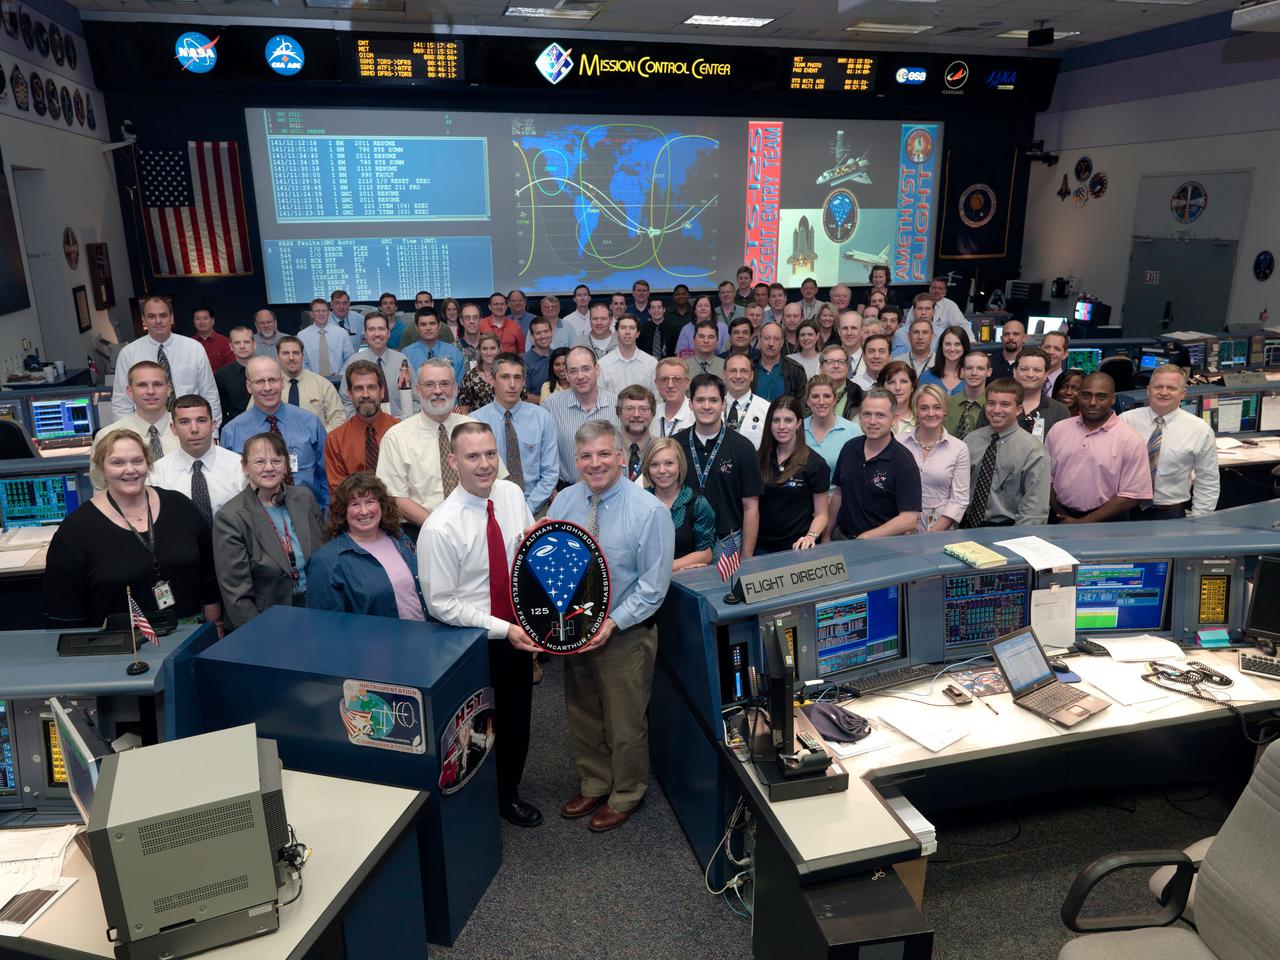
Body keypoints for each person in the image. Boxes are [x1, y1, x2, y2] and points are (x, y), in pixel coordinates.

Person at [547, 420, 675, 833]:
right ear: (576, 460)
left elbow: (654, 586)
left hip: (625, 634)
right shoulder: (563, 502)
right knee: (582, 713)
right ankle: (595, 781)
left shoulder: (649, 511)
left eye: (604, 453)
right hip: (575, 630)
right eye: (586, 456)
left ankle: (626, 792)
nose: (595, 463)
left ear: (621, 456)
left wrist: (613, 623)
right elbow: (554, 566)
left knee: (625, 721)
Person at [421, 423, 543, 827]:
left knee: (516, 718)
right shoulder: (440, 528)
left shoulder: (511, 495)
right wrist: (501, 628)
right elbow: (442, 604)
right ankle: (472, 803)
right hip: (469, 643)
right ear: (453, 462)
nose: (485, 464)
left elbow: (525, 555)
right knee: (473, 728)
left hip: (517, 633)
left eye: (491, 454)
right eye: (473, 456)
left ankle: (508, 793)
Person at [44, 428, 221, 630]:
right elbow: (64, 611)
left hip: (187, 634)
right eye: (117, 462)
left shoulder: (180, 506)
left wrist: (214, 622)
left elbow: (208, 572)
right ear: (101, 468)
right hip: (120, 646)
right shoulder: (75, 529)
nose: (130, 470)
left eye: (137, 461)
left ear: (148, 463)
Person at [214, 432, 324, 630]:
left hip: (316, 609)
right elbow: (237, 596)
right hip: (267, 620)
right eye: (259, 462)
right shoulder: (230, 517)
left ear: (286, 465)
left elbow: (324, 558)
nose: (269, 468)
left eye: (276, 460)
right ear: (245, 467)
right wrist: (260, 636)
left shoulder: (304, 498)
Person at [376, 359, 502, 529]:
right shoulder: (397, 437)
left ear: (456, 389)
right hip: (421, 529)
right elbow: (395, 496)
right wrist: (440, 527)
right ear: (418, 390)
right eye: (429, 385)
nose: (437, 391)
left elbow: (497, 478)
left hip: (478, 525)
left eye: (445, 384)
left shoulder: (474, 427)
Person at [307, 473, 425, 619]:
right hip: (375, 641)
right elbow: (325, 625)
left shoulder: (399, 537)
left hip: (424, 636)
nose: (364, 511)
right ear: (343, 511)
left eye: (370, 502)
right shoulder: (326, 561)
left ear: (381, 505)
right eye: (355, 504)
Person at [221, 356, 330, 509]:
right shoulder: (232, 432)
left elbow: (326, 477)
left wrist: (325, 520)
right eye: (260, 382)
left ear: (282, 382)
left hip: (309, 515)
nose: (267, 388)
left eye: (272, 380)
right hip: (258, 521)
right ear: (248, 386)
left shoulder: (310, 423)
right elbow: (230, 487)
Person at [675, 373, 764, 560]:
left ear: (723, 404)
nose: (706, 406)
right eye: (700, 400)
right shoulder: (674, 446)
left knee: (726, 590)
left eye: (713, 400)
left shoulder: (743, 447)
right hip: (684, 543)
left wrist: (747, 555)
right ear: (690, 404)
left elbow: (751, 507)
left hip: (728, 541)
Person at [1044, 373, 1152, 523]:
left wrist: (1081, 523)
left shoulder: (1130, 439)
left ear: (1112, 399)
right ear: (1079, 396)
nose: (1092, 402)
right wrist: (1061, 513)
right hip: (1060, 517)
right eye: (1086, 395)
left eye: (1101, 397)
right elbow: (1044, 477)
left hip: (1108, 523)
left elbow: (1132, 495)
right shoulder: (1058, 430)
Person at [1119, 364, 1219, 519]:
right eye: (1158, 387)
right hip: (1124, 509)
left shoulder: (1200, 430)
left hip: (1170, 512)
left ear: (1183, 393)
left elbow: (1208, 481)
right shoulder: (1126, 421)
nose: (1163, 393)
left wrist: (1199, 521)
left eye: (1171, 388)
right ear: (1148, 390)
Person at [827, 388, 921, 540]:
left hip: (882, 548)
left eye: (880, 415)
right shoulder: (850, 448)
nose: (872, 421)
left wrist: (866, 537)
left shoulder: (904, 461)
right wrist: (826, 535)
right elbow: (839, 494)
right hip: (841, 538)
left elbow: (909, 519)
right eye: (867, 414)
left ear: (893, 419)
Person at [472, 354, 559, 516]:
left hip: (535, 507)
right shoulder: (475, 422)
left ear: (524, 381)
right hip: (489, 509)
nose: (512, 384)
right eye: (505, 377)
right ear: (492, 379)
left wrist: (527, 509)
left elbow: (550, 473)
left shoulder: (542, 418)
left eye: (517, 377)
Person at [111, 295, 220, 421]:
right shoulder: (129, 353)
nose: (158, 321)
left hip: (189, 425)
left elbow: (209, 393)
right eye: (151, 316)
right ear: (143, 319)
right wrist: (128, 436)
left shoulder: (194, 348)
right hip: (146, 428)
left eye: (163, 315)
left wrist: (213, 433)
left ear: (171, 317)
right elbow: (121, 402)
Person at [959, 378, 1050, 528]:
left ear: (1019, 409)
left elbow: (1034, 510)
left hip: (1007, 529)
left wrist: (1017, 542)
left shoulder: (1033, 451)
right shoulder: (971, 440)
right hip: (966, 525)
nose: (996, 410)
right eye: (991, 403)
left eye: (1005, 404)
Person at [151, 394, 245, 526]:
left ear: (213, 424)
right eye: (184, 422)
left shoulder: (238, 466)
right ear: (173, 428)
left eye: (201, 420)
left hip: (232, 544)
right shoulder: (158, 473)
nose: (194, 429)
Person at [756, 396, 830, 554]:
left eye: (788, 420)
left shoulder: (815, 464)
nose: (781, 426)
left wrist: (811, 536)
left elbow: (822, 514)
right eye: (776, 420)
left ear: (799, 423)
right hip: (760, 548)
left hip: (797, 548)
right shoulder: (759, 459)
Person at [542, 346, 620, 484]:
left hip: (610, 490)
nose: (580, 376)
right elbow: (543, 453)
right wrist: (551, 489)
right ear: (566, 375)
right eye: (573, 371)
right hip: (566, 490)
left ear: (597, 370)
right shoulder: (551, 406)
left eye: (586, 369)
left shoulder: (616, 404)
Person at [901, 385, 970, 533]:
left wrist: (932, 534)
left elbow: (959, 499)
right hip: (899, 526)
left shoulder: (959, 448)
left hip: (940, 529)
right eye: (924, 408)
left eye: (937, 407)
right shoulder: (898, 443)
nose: (931, 413)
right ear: (916, 411)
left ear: (945, 411)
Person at [325, 360, 398, 499]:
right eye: (358, 388)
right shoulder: (336, 440)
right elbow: (339, 493)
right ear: (350, 394)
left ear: (382, 392)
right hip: (357, 515)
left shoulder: (401, 431)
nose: (365, 394)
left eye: (371, 387)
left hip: (400, 514)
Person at [641, 439, 714, 572]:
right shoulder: (639, 501)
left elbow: (705, 553)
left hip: (684, 583)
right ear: (647, 468)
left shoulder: (697, 504)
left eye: (669, 463)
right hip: (643, 584)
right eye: (654, 464)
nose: (662, 470)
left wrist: (664, 568)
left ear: (680, 465)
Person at [94, 361, 178, 467]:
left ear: (168, 389)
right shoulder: (106, 436)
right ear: (130, 391)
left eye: (157, 384)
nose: (151, 391)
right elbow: (100, 481)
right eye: (142, 385)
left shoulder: (189, 432)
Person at [339, 313, 417, 420]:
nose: (377, 334)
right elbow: (345, 400)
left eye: (381, 329)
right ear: (365, 334)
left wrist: (409, 421)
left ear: (388, 333)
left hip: (401, 427)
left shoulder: (402, 361)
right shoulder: (354, 362)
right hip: (364, 427)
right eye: (371, 329)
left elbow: (417, 398)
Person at [277, 337, 346, 431]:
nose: (291, 358)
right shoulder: (267, 386)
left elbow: (339, 418)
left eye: (296, 353)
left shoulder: (322, 385)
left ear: (303, 356)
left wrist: (322, 438)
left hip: (317, 443)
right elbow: (254, 417)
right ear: (277, 357)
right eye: (286, 353)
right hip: (278, 444)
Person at [804, 373, 862, 477]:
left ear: (835, 399)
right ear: (807, 401)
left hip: (839, 493)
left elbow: (858, 473)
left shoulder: (853, 431)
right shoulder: (797, 430)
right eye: (815, 396)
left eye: (827, 396)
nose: (821, 402)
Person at [1013, 347, 1071, 441]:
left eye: (1037, 370)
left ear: (1046, 375)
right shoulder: (996, 406)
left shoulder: (1060, 411)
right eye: (1024, 369)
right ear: (1014, 372)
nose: (1030, 375)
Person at [298, 298, 354, 385]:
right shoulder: (302, 336)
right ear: (311, 314)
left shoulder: (341, 333)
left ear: (329, 313)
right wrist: (312, 377)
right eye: (317, 311)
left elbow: (350, 358)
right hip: (312, 383)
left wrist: (340, 375)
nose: (321, 314)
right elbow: (301, 362)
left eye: (324, 311)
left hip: (339, 381)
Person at [403, 307, 465, 385]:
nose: (428, 328)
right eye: (423, 324)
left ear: (439, 326)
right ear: (416, 327)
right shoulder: (406, 355)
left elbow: (460, 386)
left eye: (432, 323)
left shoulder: (454, 353)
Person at [598, 314, 658, 394]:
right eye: (623, 328)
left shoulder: (651, 363)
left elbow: (657, 400)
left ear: (638, 334)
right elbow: (600, 398)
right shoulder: (603, 364)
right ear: (616, 333)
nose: (627, 332)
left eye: (632, 328)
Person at [722, 353, 770, 450]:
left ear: (752, 376)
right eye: (733, 371)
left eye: (744, 371)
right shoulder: (711, 408)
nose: (738, 376)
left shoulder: (767, 409)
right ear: (724, 375)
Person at [906, 277, 973, 342]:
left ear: (945, 291)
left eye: (940, 288)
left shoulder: (950, 305)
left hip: (942, 343)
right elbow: (908, 325)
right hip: (920, 341)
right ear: (930, 289)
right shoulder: (919, 303)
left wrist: (971, 339)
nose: (936, 291)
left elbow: (962, 324)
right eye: (934, 288)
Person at [753, 322, 806, 402]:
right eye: (767, 338)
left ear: (782, 342)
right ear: (759, 340)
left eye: (776, 339)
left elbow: (802, 404)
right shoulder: (749, 367)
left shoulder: (795, 370)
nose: (771, 343)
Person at [215, 326, 255, 426]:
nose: (242, 346)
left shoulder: (268, 370)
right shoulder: (221, 375)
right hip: (235, 428)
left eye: (246, 342)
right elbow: (221, 411)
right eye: (237, 343)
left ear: (254, 344)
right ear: (231, 346)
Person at [616, 385, 656, 481]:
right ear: (618, 413)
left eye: (643, 409)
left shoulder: (662, 450)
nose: (636, 415)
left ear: (653, 413)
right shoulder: (606, 449)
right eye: (630, 409)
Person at [946, 351, 989, 439]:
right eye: (969, 368)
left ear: (989, 372)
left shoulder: (993, 407)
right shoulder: (947, 403)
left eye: (980, 368)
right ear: (962, 372)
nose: (974, 373)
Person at [456, 333, 502, 414]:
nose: (489, 353)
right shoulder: (470, 376)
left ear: (499, 350)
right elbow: (464, 410)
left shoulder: (509, 374)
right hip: (479, 424)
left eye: (493, 348)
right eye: (484, 349)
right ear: (479, 351)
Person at [919, 326, 969, 396]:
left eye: (957, 344)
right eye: (948, 344)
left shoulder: (972, 377)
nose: (952, 349)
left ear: (964, 347)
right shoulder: (927, 377)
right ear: (941, 347)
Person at [652, 357, 694, 439]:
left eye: (677, 379)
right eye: (664, 379)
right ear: (657, 384)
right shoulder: (650, 413)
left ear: (687, 383)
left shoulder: (697, 413)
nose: (670, 385)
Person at [818, 346, 864, 421]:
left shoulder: (860, 395)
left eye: (841, 361)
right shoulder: (809, 395)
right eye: (830, 362)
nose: (836, 366)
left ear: (847, 366)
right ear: (821, 367)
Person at [876, 360, 918, 435]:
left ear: (912, 387)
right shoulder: (869, 418)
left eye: (904, 381)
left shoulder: (922, 419)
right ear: (882, 387)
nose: (898, 387)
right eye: (891, 382)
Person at [192, 305, 234, 372]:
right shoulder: (190, 343)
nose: (202, 322)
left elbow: (230, 368)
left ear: (212, 321)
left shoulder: (225, 342)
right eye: (197, 319)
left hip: (220, 381)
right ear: (194, 322)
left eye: (205, 318)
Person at [523, 316, 555, 399]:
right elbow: (523, 395)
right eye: (538, 333)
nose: (543, 336)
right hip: (534, 409)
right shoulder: (524, 361)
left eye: (546, 331)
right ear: (531, 337)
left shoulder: (557, 356)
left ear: (552, 333)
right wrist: (549, 402)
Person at [904, 313, 935, 377]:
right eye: (916, 332)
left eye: (925, 332)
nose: (920, 337)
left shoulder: (940, 362)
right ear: (909, 337)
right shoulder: (898, 361)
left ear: (932, 337)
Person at [457, 302, 484, 371]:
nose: (472, 321)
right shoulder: (453, 349)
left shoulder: (491, 346)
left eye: (475, 317)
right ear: (461, 321)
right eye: (467, 318)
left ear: (480, 320)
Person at [1041, 331, 1070, 397]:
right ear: (1040, 349)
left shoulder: (1068, 385)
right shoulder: (1027, 379)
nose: (1051, 352)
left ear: (1065, 354)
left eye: (1057, 349)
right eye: (1047, 347)